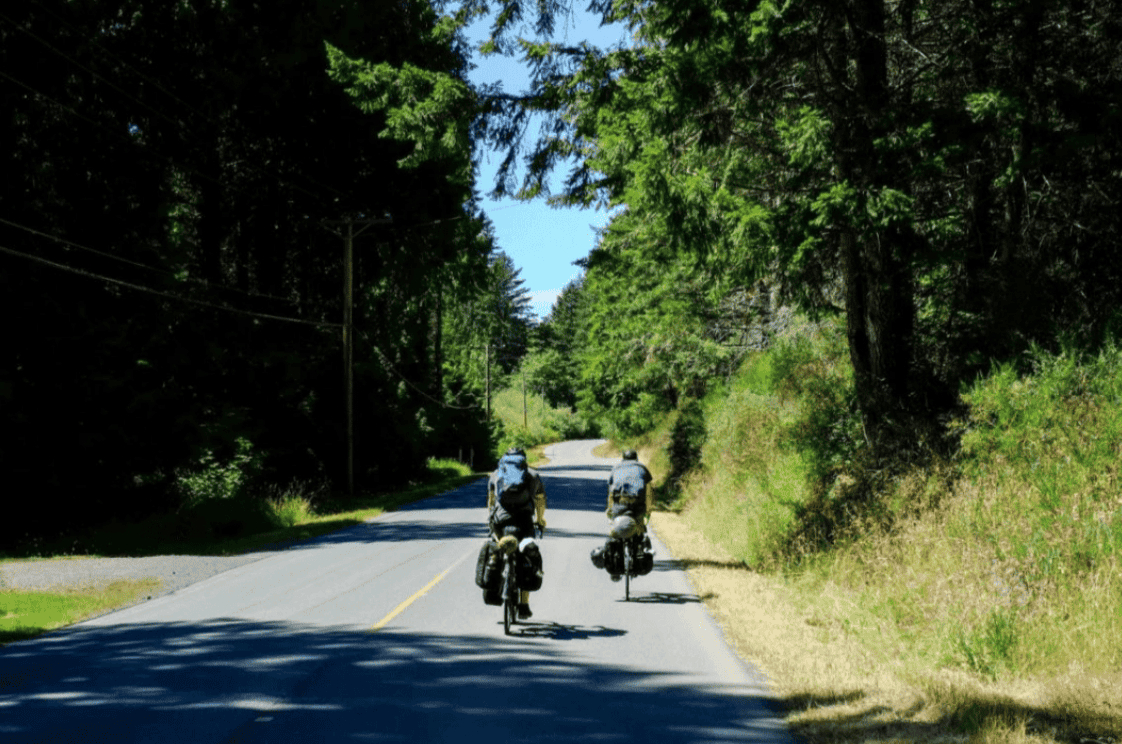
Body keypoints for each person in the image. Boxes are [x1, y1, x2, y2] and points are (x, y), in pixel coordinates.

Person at [487, 447, 547, 618]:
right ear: (524, 460)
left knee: (497, 548)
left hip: (501, 520)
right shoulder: (532, 475)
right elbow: (540, 500)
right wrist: (540, 520)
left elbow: (491, 500)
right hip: (523, 521)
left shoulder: (496, 474)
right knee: (526, 556)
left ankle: (493, 583)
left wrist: (490, 520)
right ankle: (524, 605)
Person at [604, 449, 653, 581]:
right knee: (639, 531)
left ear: (623, 459)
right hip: (637, 508)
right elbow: (648, 494)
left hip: (619, 506)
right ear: (636, 459)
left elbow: (610, 494)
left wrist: (610, 510)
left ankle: (614, 567)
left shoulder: (616, 469)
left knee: (615, 533)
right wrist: (648, 512)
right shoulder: (643, 469)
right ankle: (639, 556)